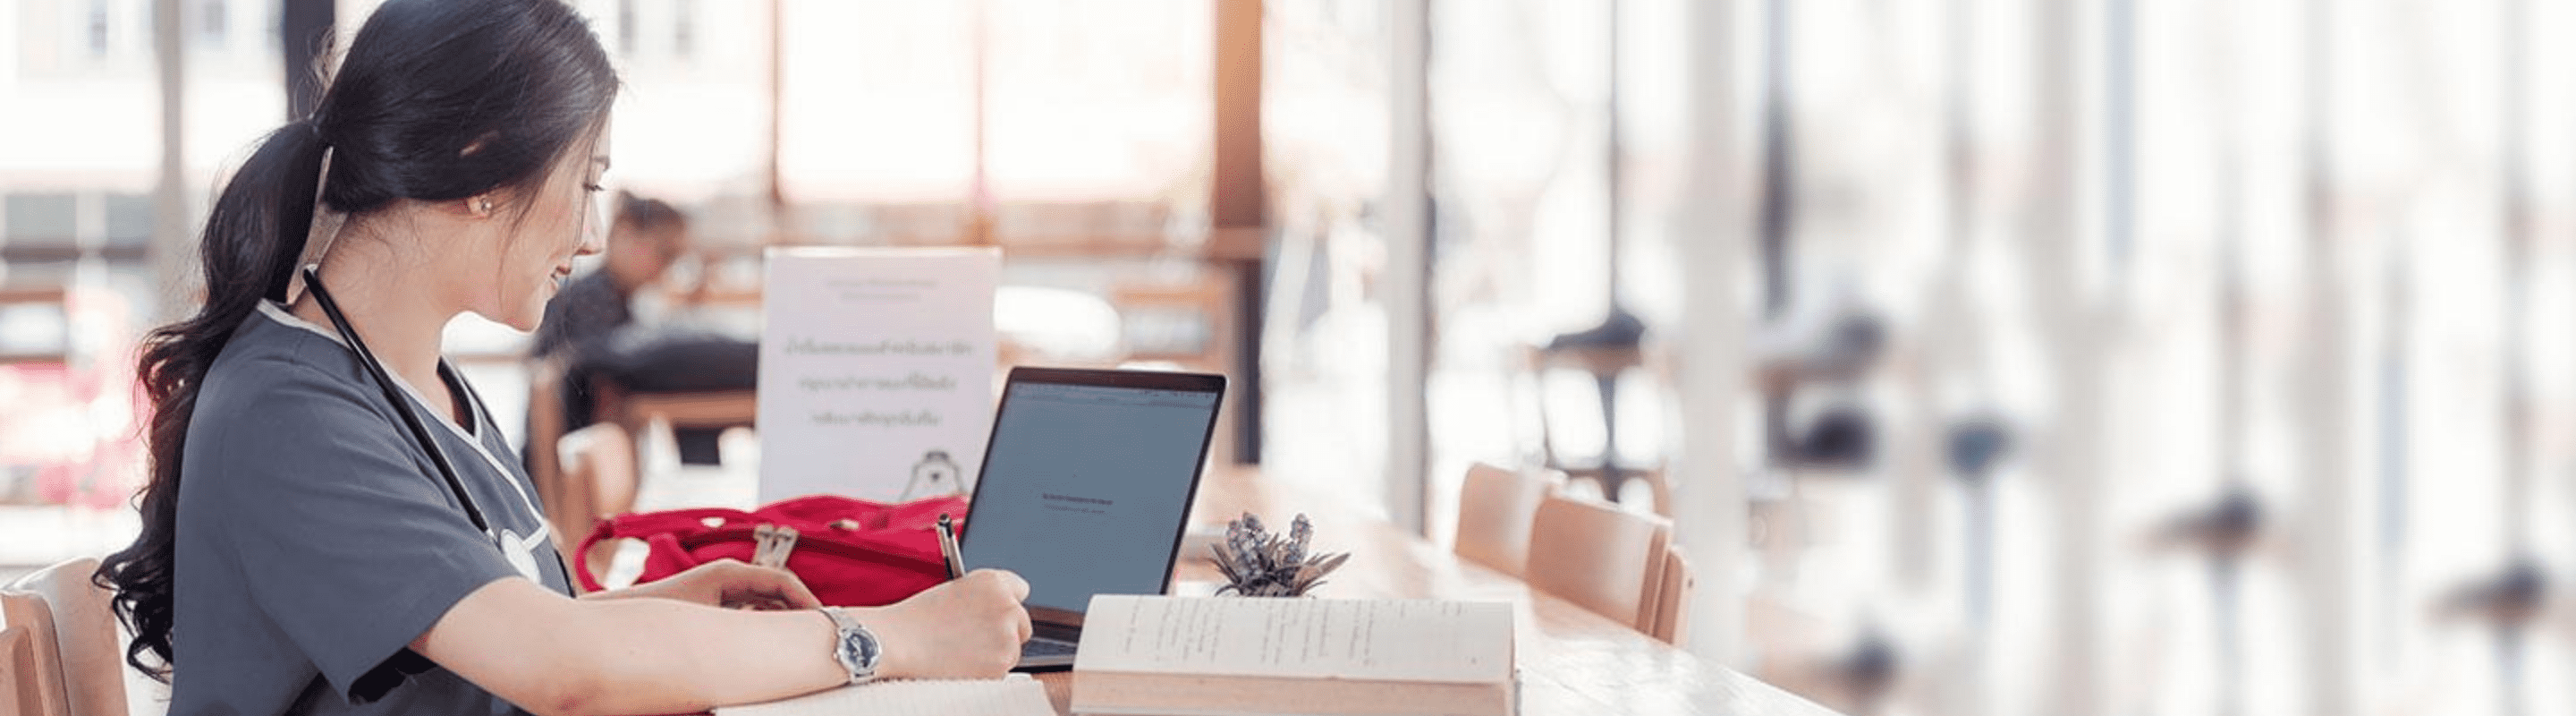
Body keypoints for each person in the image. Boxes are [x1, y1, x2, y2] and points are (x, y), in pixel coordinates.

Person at [91, 2, 1031, 714]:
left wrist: (666, 606)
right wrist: (888, 638)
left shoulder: (417, 382)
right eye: (585, 184)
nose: (588, 234)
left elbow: (510, 632)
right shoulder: (289, 411)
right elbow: (559, 669)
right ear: (481, 167)